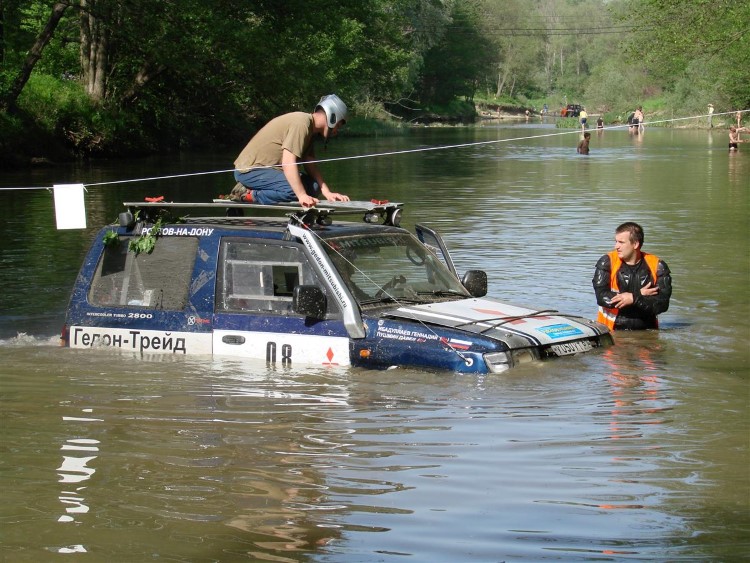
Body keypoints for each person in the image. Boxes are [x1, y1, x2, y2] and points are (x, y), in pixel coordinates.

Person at [233, 94, 350, 207]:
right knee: (293, 191)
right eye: (338, 126)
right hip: (249, 171)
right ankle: (248, 194)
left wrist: (327, 192)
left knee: (314, 187)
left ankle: (256, 189)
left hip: (271, 170)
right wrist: (302, 195)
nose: (336, 131)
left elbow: (309, 163)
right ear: (332, 117)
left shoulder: (311, 131)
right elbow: (288, 162)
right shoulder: (302, 123)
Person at [593, 222, 672, 330]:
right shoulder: (607, 262)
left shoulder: (658, 266)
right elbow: (601, 297)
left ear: (635, 244)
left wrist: (634, 298)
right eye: (616, 241)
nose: (616, 246)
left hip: (647, 332)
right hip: (612, 332)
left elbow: (662, 304)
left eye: (621, 242)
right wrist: (639, 294)